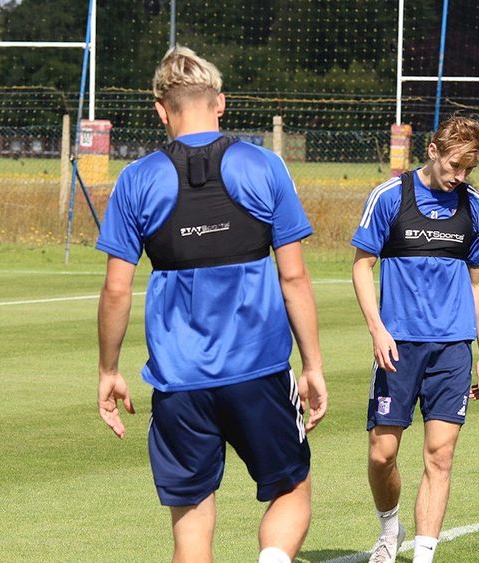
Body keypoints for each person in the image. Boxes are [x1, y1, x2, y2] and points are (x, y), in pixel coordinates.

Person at [95, 46, 327, 563]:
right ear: (220, 102)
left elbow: (116, 290)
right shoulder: (266, 166)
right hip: (260, 371)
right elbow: (294, 276)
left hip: (179, 382)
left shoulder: (136, 179)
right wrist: (312, 365)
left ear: (161, 108)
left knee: (192, 532)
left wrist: (108, 370)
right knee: (292, 490)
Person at [351, 116, 479, 563]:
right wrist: (377, 329)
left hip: (452, 348)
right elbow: (362, 266)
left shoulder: (477, 208)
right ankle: (388, 530)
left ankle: (424, 556)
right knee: (382, 455)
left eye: (468, 171)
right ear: (433, 152)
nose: (459, 178)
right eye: (455, 166)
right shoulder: (390, 197)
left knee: (440, 455)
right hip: (398, 347)